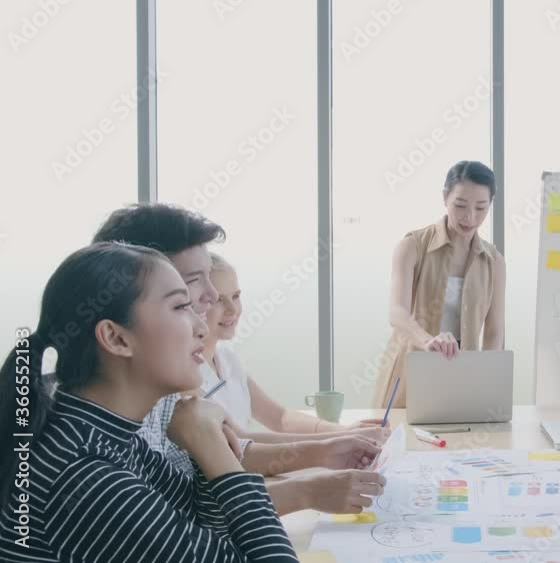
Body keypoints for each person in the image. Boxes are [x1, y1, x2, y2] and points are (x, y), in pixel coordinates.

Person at [0, 243, 299, 562]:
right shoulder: (85, 474)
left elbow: (201, 524)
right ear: (116, 338)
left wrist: (206, 445)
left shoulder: (107, 436)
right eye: (180, 306)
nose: (201, 327)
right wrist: (213, 447)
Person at [93, 203, 386, 515]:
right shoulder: (97, 451)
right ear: (117, 335)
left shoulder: (160, 398)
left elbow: (193, 501)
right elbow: (181, 521)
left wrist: (325, 455)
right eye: (187, 289)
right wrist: (305, 489)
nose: (210, 297)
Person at [202, 252, 386, 438]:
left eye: (236, 296)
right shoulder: (190, 377)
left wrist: (345, 431)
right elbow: (240, 442)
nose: (232, 309)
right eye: (218, 300)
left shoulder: (227, 359)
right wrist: (339, 440)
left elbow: (280, 418)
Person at [374, 160, 507, 408]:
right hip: (410, 368)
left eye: (481, 208)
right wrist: (427, 340)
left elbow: (494, 331)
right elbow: (397, 312)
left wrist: (487, 381)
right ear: (445, 197)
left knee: (460, 430)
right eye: (460, 205)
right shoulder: (412, 246)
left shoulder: (494, 262)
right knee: (401, 431)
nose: (470, 217)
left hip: (461, 375)